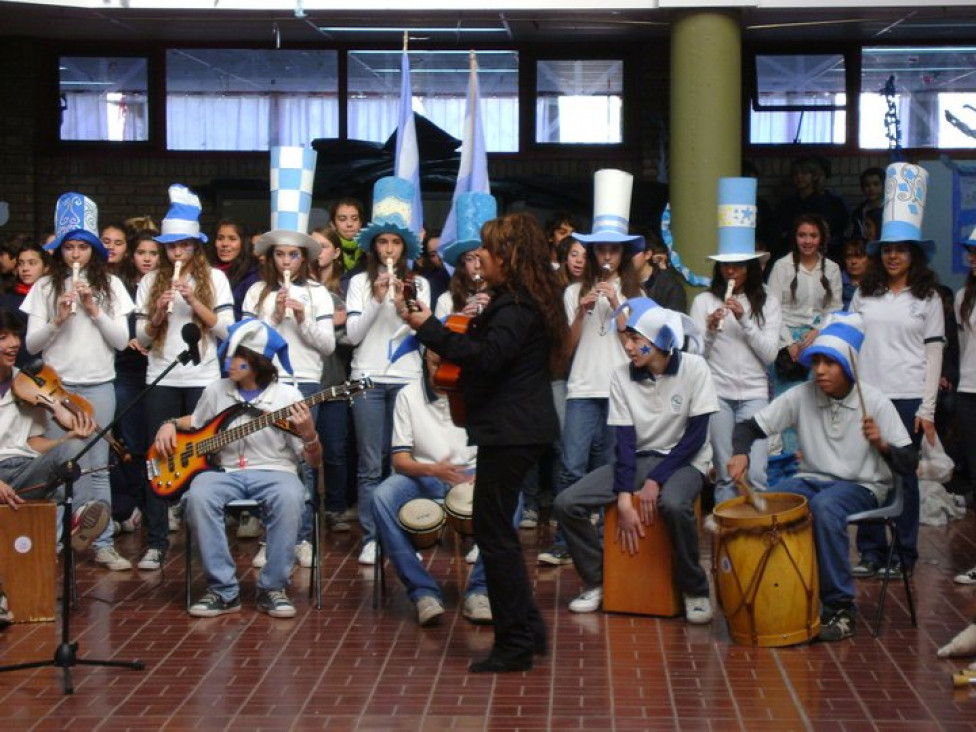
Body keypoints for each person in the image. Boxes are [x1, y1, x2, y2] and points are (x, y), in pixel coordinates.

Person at [400, 211, 568, 673]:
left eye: (491, 251)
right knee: (498, 536)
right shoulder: (519, 300)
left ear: (509, 257)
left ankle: (514, 644)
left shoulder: (514, 306)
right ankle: (528, 629)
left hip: (512, 431)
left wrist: (428, 328)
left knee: (495, 537)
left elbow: (487, 359)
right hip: (516, 429)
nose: (483, 258)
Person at [728, 312, 916, 641]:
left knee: (826, 508)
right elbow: (748, 427)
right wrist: (741, 452)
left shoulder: (874, 401)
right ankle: (786, 593)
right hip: (812, 479)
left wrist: (882, 444)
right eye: (817, 363)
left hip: (862, 485)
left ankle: (841, 608)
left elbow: (909, 462)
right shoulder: (803, 395)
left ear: (849, 366)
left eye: (830, 364)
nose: (820, 371)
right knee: (772, 502)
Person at [553, 302, 717, 625]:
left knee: (673, 503)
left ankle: (695, 590)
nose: (627, 346)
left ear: (659, 340)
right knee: (566, 502)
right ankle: (599, 580)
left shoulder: (695, 368)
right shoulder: (621, 376)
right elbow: (625, 443)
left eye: (634, 338)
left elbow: (695, 438)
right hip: (639, 458)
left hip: (686, 461)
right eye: (624, 338)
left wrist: (656, 480)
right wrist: (625, 495)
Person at [154, 319, 320, 618]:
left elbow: (313, 462)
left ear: (257, 363)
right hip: (225, 472)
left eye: (238, 357)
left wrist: (309, 434)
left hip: (276, 471)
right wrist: (167, 424)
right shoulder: (216, 390)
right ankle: (223, 590)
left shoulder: (288, 398)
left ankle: (272, 588)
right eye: (229, 354)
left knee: (292, 496)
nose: (229, 361)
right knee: (198, 495)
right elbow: (195, 423)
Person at [21, 192, 134, 571]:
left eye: (83, 247)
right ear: (59, 250)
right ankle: (54, 544)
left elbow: (120, 342)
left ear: (94, 251)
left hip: (100, 385)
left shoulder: (113, 287)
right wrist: (58, 318)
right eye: (69, 247)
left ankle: (102, 543)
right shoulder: (44, 288)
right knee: (57, 463)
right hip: (56, 390)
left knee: (97, 465)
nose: (75, 255)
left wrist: (93, 310)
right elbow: (31, 344)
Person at [541, 169, 645, 567]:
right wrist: (582, 313)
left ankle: (603, 542)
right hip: (582, 389)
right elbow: (565, 351)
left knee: (608, 471)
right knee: (570, 466)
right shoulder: (571, 292)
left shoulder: (637, 294)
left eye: (613, 252)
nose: (605, 257)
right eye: (600, 250)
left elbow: (638, 350)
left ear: (623, 256)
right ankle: (566, 542)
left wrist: (620, 309)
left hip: (620, 391)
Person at [848, 163, 944, 582]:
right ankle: (871, 551)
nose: (892, 255)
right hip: (868, 395)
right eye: (887, 249)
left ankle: (903, 554)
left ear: (914, 254)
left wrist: (928, 408)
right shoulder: (864, 292)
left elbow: (934, 353)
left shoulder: (929, 297)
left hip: (907, 397)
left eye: (901, 249)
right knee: (867, 474)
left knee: (902, 475)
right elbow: (848, 338)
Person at [135, 184, 235, 571]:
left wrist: (194, 301)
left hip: (204, 377)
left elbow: (227, 331)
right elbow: (143, 339)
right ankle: (157, 542)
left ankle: (203, 539)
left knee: (203, 459)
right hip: (160, 375)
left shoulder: (215, 279)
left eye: (185, 245)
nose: (177, 252)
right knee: (156, 458)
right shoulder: (149, 282)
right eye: (171, 246)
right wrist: (159, 313)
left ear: (196, 246)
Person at [243, 149, 335, 568]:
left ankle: (302, 538)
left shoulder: (316, 293)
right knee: (269, 462)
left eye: (293, 255)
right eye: (280, 255)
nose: (286, 261)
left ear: (304, 258)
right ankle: (272, 538)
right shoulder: (255, 293)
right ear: (271, 258)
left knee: (304, 463)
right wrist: (274, 315)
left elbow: (327, 346)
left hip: (306, 383)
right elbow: (248, 347)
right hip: (266, 387)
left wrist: (301, 317)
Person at [372, 345, 491, 626]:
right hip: (423, 474)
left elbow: (494, 447)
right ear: (426, 359)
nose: (441, 371)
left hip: (471, 473)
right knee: (381, 497)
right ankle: (422, 591)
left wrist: (483, 472)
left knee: (512, 497)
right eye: (436, 363)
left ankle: (480, 591)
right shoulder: (408, 395)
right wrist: (433, 469)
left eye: (447, 364)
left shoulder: (478, 391)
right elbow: (400, 459)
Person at [345, 177, 430, 566]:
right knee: (369, 463)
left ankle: (407, 530)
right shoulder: (359, 284)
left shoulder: (421, 283)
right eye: (383, 242)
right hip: (366, 378)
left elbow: (422, 332)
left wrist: (401, 301)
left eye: (396, 243)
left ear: (405, 248)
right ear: (373, 246)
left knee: (405, 461)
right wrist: (377, 299)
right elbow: (353, 334)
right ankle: (372, 536)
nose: (389, 249)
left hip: (408, 380)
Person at [690, 177, 781, 504]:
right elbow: (697, 356)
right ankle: (727, 544)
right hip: (718, 395)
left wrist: (744, 320)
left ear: (751, 267)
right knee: (726, 473)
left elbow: (770, 355)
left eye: (738, 265)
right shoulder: (703, 302)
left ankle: (756, 542)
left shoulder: (768, 301)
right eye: (726, 264)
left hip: (755, 395)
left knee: (755, 472)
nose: (731, 271)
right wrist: (712, 329)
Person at [0, 307, 111, 551]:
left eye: (16, 336)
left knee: (73, 446)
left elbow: (32, 442)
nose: (14, 344)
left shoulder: (28, 382)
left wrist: (65, 442)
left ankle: (80, 515)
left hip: (25, 469)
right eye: (3, 338)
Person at [310, 226, 352, 532]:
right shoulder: (299, 286)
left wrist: (339, 325)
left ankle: (335, 508)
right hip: (306, 377)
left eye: (323, 246)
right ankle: (307, 506)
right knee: (304, 450)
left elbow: (353, 336)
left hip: (336, 377)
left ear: (336, 252)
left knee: (336, 450)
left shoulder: (347, 288)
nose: (318, 251)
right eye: (312, 246)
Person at [951, 229, 976, 585]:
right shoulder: (962, 298)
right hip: (969, 390)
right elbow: (960, 347)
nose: (972, 257)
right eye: (970, 251)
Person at [208, 218, 259, 321]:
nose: (225, 244)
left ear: (243, 243)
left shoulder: (253, 277)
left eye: (232, 239)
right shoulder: (206, 272)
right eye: (220, 238)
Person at [634, 236, 687, 313]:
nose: (663, 266)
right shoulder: (621, 281)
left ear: (648, 254)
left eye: (667, 262)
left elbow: (674, 321)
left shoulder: (671, 286)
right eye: (658, 260)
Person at [850, 166, 885, 242]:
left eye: (876, 184)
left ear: (883, 186)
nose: (871, 188)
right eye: (867, 185)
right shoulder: (858, 213)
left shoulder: (891, 210)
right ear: (862, 188)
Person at [841, 238, 869, 311]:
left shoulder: (877, 284)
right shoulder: (837, 281)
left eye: (859, 257)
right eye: (849, 257)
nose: (853, 261)